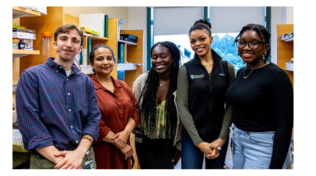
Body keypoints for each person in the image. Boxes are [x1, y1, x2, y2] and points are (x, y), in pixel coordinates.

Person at [16, 23, 101, 169]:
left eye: (75, 41)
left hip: (84, 157)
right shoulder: (32, 76)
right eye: (64, 39)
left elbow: (93, 119)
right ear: (55, 44)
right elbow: (31, 125)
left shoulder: (86, 81)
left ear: (80, 49)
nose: (68, 44)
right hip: (49, 161)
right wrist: (67, 163)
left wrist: (79, 154)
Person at [225, 23, 293, 169]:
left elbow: (285, 126)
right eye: (242, 42)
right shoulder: (241, 72)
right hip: (238, 140)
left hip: (263, 145)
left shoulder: (277, 76)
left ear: (266, 47)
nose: (246, 47)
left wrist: (275, 167)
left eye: (254, 43)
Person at [176, 19, 235, 169]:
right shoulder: (186, 69)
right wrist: (198, 142)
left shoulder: (227, 68)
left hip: (218, 136)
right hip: (192, 138)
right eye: (192, 41)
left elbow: (231, 105)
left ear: (211, 39)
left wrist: (222, 138)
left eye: (202, 39)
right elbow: (182, 106)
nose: (197, 44)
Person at [89, 44, 139, 169]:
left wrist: (126, 133)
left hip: (124, 151)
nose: (105, 62)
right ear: (91, 64)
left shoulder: (122, 85)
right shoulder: (87, 87)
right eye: (100, 59)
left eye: (109, 58)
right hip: (102, 151)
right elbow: (93, 122)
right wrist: (121, 144)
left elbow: (135, 111)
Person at [133, 41, 182, 169]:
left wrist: (180, 146)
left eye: (163, 56)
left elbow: (186, 117)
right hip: (144, 141)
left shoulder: (181, 82)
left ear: (173, 59)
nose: (158, 60)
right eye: (154, 57)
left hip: (170, 142)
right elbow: (134, 110)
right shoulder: (142, 81)